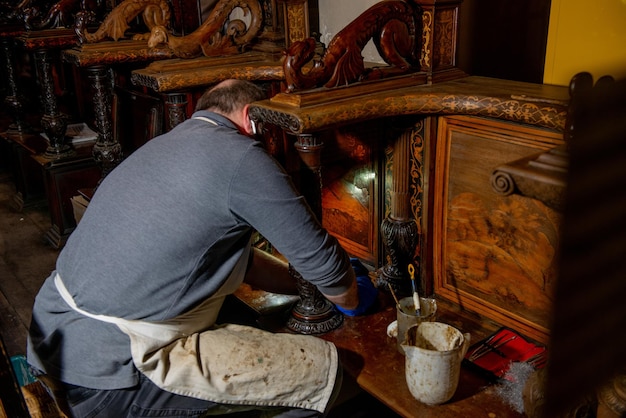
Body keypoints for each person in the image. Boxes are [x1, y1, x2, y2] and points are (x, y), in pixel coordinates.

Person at [27, 79, 377, 418]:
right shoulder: (240, 155)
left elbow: (236, 262)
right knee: (326, 379)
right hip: (109, 378)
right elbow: (334, 279)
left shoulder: (165, 144)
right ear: (253, 119)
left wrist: (307, 284)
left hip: (56, 342)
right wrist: (353, 295)